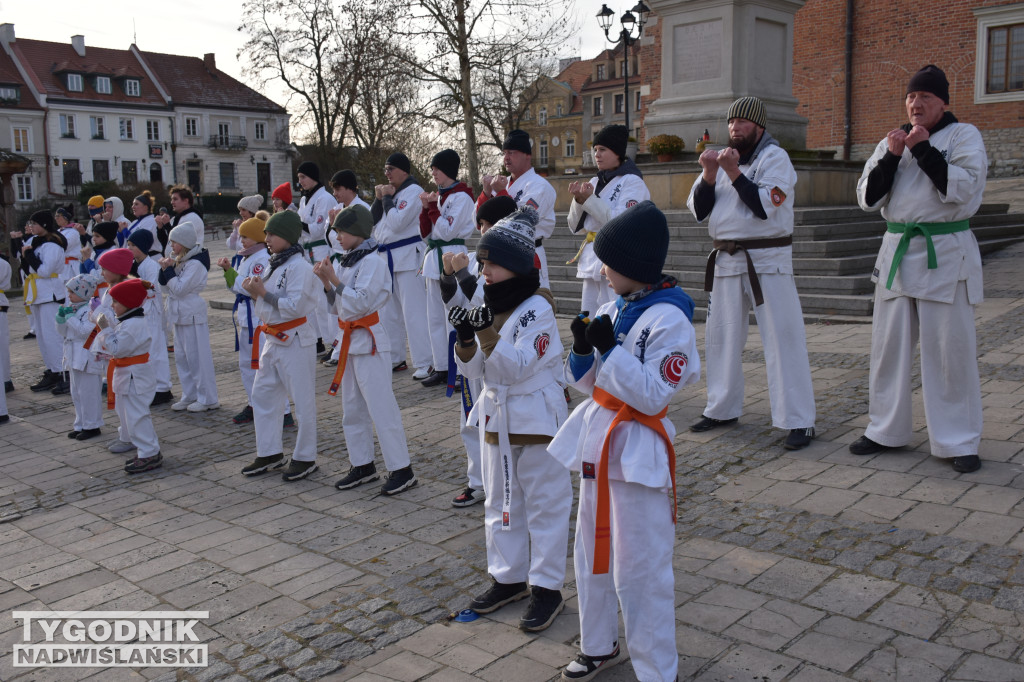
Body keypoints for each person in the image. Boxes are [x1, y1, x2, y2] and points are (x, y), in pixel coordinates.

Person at [549, 201, 700, 682]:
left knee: (641, 568)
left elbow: (654, 393)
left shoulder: (670, 322)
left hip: (638, 448)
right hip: (600, 440)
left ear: (634, 267)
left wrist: (611, 349)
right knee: (590, 552)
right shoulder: (617, 305)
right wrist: (581, 349)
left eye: (609, 263)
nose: (602, 270)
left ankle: (658, 669)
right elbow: (592, 383)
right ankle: (598, 644)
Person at [851, 65, 987, 473]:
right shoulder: (889, 142)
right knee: (888, 348)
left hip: (943, 251)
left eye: (926, 97)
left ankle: (957, 439)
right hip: (897, 251)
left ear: (943, 102)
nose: (917, 103)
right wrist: (894, 156)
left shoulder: (964, 136)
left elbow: (962, 189)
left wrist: (924, 149)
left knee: (949, 350)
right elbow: (868, 197)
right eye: (912, 97)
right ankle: (885, 429)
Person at [450, 206, 571, 633]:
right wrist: (466, 339)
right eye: (482, 262)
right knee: (500, 502)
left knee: (545, 505)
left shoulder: (539, 307)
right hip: (496, 415)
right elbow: (474, 372)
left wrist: (483, 336)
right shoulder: (490, 299)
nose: (483, 270)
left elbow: (515, 367)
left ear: (516, 267)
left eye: (492, 263)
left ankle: (547, 586)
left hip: (536, 418)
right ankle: (507, 577)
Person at [686, 96, 817, 450]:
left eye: (742, 123)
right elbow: (699, 212)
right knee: (721, 338)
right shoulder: (720, 160)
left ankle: (799, 419)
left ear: (759, 127)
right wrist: (711, 176)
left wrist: (732, 172)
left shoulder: (776, 159)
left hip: (766, 261)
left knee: (782, 337)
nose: (735, 128)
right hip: (727, 260)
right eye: (731, 123)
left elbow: (763, 207)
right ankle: (722, 407)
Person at [314, 205, 417, 494]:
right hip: (350, 342)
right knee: (352, 409)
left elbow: (360, 303)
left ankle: (402, 468)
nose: (338, 238)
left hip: (370, 341)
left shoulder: (373, 261)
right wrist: (326, 283)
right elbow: (338, 307)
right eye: (336, 232)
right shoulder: (347, 261)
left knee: (382, 409)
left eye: (342, 232)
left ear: (358, 232)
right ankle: (362, 464)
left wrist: (333, 280)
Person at [437, 195, 518, 508]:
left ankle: (497, 479)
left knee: (491, 419)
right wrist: (448, 277)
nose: (482, 230)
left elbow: (489, 301)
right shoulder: (472, 257)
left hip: (495, 346)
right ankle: (477, 480)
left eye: (487, 224)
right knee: (468, 419)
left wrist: (464, 277)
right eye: (480, 224)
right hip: (469, 346)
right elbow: (455, 304)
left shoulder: (510, 260)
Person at [240, 210, 321, 481]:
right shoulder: (276, 263)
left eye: (272, 234)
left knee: (302, 400)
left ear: (287, 236)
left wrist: (263, 293)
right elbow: (268, 305)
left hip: (295, 339)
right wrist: (256, 295)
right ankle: (270, 451)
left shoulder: (300, 266)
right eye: (266, 234)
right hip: (272, 339)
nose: (267, 239)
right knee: (263, 395)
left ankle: (305, 456)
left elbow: (295, 306)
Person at [567, 124, 651, 315]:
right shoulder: (594, 182)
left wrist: (589, 200)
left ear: (617, 152)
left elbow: (622, 222)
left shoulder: (632, 182)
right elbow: (575, 227)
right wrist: (578, 201)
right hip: (591, 259)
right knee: (588, 318)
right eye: (595, 149)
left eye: (603, 149)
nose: (597, 154)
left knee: (612, 316)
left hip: (616, 259)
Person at [417, 149, 475, 387]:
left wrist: (432, 208)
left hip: (453, 255)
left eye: (437, 168)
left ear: (448, 170)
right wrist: (425, 209)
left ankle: (460, 368)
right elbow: (427, 234)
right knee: (434, 318)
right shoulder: (441, 196)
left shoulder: (462, 197)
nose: (433, 173)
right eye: (432, 169)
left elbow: (447, 231)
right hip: (434, 258)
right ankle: (442, 366)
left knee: (453, 316)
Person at [92, 278, 162, 474]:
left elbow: (117, 348)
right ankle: (146, 450)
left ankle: (149, 452)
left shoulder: (133, 325)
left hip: (135, 377)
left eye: (115, 302)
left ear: (128, 303)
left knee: (138, 416)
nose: (112, 305)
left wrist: (105, 329)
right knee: (132, 416)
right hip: (130, 374)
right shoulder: (130, 322)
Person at [371, 152, 430, 376]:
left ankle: (425, 362)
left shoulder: (414, 191)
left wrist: (386, 199)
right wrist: (379, 199)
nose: (386, 174)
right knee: (388, 314)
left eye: (390, 169)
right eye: (385, 169)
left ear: (403, 171)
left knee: (414, 313)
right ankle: (395, 358)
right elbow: (371, 224)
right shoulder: (391, 193)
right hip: (387, 258)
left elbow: (396, 223)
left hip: (408, 257)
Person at [476, 129, 557, 287]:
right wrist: (486, 193)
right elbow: (479, 222)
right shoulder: (500, 182)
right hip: (498, 255)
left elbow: (520, 221)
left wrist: (501, 192)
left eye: (511, 153)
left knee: (530, 304)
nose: (506, 158)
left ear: (527, 155)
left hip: (527, 252)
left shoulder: (540, 186)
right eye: (504, 153)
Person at [216, 212, 273, 424]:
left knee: (262, 366)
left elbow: (250, 286)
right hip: (245, 316)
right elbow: (237, 286)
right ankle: (253, 403)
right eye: (241, 237)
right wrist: (228, 273)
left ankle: (280, 410)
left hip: (256, 318)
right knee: (247, 365)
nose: (242, 241)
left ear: (258, 238)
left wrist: (231, 273)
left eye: (245, 237)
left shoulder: (262, 259)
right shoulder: (247, 257)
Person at [158, 222, 220, 412]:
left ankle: (208, 397)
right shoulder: (180, 260)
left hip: (192, 312)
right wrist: (165, 270)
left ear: (184, 243)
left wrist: (168, 271)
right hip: (179, 314)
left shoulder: (196, 263)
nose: (171, 247)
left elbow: (179, 288)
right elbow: (165, 286)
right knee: (182, 358)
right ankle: (190, 394)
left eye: (174, 242)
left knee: (197, 357)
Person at [126, 231, 174, 406]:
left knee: (156, 350)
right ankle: (150, 386)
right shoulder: (134, 265)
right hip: (140, 311)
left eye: (134, 246)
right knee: (146, 351)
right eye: (129, 245)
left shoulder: (151, 266)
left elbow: (154, 289)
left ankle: (162, 388)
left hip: (151, 312)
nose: (130, 249)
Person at [21, 211, 68, 393]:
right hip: (38, 294)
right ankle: (52, 370)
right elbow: (29, 268)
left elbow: (45, 271)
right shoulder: (36, 243)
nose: (31, 227)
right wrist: (25, 255)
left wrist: (30, 256)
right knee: (41, 336)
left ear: (45, 225)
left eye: (35, 223)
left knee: (52, 335)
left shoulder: (52, 245)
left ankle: (64, 371)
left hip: (50, 294)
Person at [57, 274, 106, 441]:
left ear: (84, 292)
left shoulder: (92, 309)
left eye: (73, 291)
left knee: (89, 393)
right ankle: (80, 423)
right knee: (76, 392)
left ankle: (92, 425)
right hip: (73, 354)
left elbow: (84, 331)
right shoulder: (73, 307)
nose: (69, 295)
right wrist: (61, 320)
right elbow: (64, 332)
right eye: (68, 291)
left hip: (87, 354)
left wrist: (70, 318)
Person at [295, 161, 335, 356]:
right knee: (312, 299)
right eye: (299, 178)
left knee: (324, 300)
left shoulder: (324, 198)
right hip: (307, 252)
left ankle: (332, 342)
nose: (300, 181)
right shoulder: (304, 200)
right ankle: (318, 339)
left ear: (313, 177)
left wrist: (298, 223)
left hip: (321, 251)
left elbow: (318, 230)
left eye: (303, 177)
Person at [154, 185, 205, 255]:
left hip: (188, 261)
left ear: (186, 201)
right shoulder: (176, 218)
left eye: (175, 199)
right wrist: (160, 228)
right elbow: (166, 242)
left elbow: (179, 240)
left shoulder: (192, 218)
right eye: (171, 199)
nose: (172, 202)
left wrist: (167, 225)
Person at [55, 207, 85, 282]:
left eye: (58, 216)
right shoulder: (58, 231)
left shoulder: (73, 232)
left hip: (71, 267)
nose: (56, 218)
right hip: (61, 267)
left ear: (65, 218)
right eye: (55, 216)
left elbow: (64, 246)